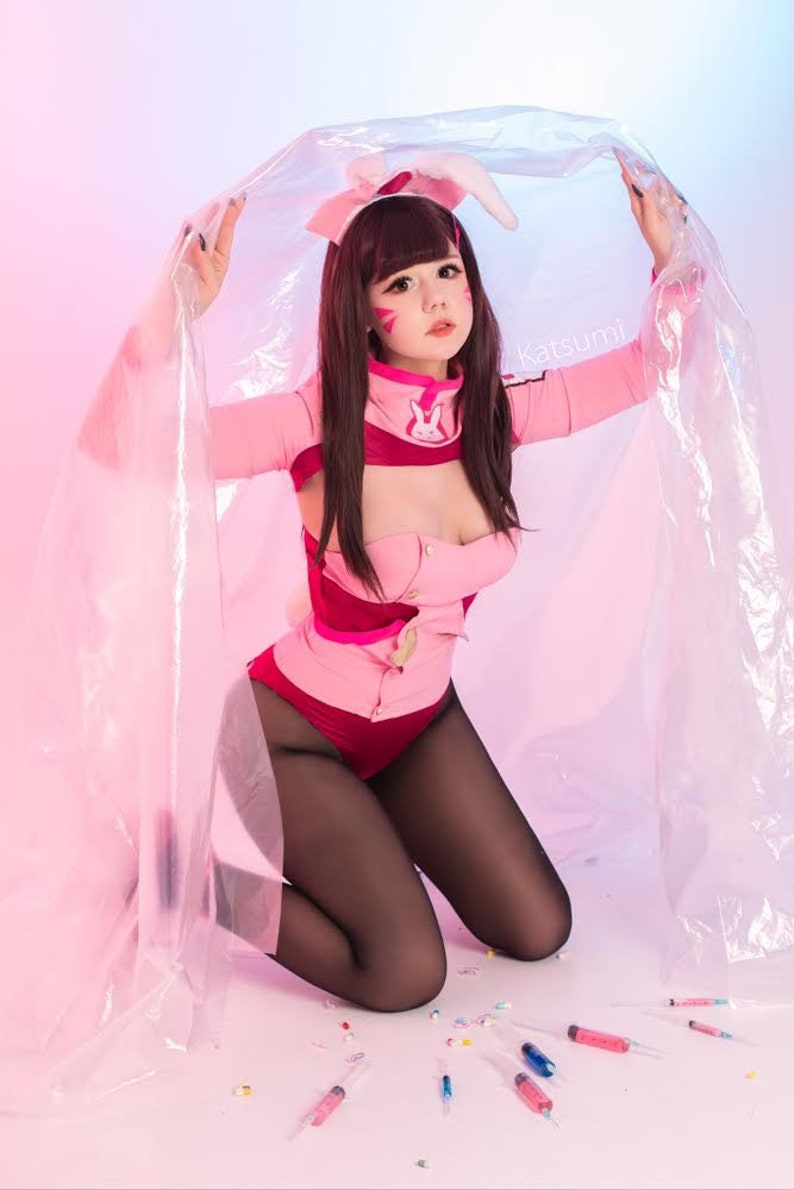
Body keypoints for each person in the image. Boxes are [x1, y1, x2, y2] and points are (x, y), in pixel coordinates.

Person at [183, 153, 686, 1013]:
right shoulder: (310, 422)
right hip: (292, 736)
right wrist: (175, 319)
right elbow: (135, 444)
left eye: (448, 271)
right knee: (404, 975)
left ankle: (373, 825)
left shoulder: (492, 412)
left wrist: (671, 263)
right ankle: (201, 885)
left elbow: (650, 365)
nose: (437, 298)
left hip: (418, 723)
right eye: (403, 284)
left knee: (538, 928)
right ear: (362, 311)